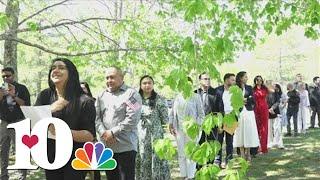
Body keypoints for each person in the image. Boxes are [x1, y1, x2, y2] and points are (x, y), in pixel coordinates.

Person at [35, 58, 96, 180]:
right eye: (53, 68)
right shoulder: (44, 96)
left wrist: (63, 132)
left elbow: (89, 135)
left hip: (76, 157)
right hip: (51, 155)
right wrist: (50, 110)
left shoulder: (84, 101)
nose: (56, 70)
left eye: (61, 68)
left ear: (71, 73)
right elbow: (34, 121)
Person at [95, 67, 142, 180]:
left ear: (121, 78)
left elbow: (133, 119)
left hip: (125, 146)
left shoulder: (131, 94)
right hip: (107, 146)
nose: (109, 80)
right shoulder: (101, 96)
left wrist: (112, 132)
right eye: (107, 78)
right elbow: (96, 118)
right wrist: (104, 133)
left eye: (112, 77)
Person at [135, 75, 170, 180]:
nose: (147, 85)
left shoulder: (159, 99)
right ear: (140, 86)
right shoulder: (135, 99)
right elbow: (131, 116)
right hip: (140, 135)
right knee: (141, 157)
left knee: (157, 158)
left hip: (156, 135)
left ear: (153, 85)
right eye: (144, 83)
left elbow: (165, 119)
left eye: (149, 83)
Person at [169, 77, 204, 179]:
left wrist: (195, 126)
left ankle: (191, 176)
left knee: (191, 154)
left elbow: (201, 114)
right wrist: (171, 124)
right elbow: (172, 113)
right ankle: (183, 175)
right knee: (181, 154)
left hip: (192, 130)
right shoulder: (177, 97)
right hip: (179, 130)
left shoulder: (196, 97)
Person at [0, 67, 30, 180]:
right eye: (3, 76)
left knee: (21, 150)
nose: (6, 78)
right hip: (4, 123)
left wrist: (13, 95)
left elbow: (26, 106)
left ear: (14, 75)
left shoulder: (22, 88)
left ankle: (22, 177)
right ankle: (3, 176)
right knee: (3, 150)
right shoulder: (0, 89)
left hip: (19, 121)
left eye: (8, 75)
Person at [233, 71, 259, 162]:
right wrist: (240, 101)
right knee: (240, 132)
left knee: (248, 132)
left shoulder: (249, 88)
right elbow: (232, 100)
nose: (247, 78)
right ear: (240, 78)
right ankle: (242, 154)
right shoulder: (235, 88)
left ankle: (248, 153)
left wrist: (246, 100)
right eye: (245, 77)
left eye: (247, 77)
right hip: (239, 113)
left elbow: (253, 100)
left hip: (248, 112)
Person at [194, 72, 217, 168]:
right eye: (205, 79)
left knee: (211, 145)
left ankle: (210, 166)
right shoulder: (194, 93)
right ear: (200, 80)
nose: (207, 81)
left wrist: (219, 125)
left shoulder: (215, 92)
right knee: (199, 144)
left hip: (212, 124)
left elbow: (220, 108)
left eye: (209, 79)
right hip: (199, 124)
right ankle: (198, 167)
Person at [214, 73, 236, 166]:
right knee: (219, 140)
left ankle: (229, 160)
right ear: (226, 80)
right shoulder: (217, 90)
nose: (234, 81)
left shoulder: (235, 91)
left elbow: (239, 104)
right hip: (220, 117)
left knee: (229, 141)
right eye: (232, 80)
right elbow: (214, 105)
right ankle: (217, 161)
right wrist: (217, 120)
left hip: (231, 118)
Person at [253, 75, 271, 154]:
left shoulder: (265, 89)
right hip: (256, 109)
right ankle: (256, 147)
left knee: (264, 128)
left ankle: (264, 147)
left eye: (260, 80)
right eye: (257, 80)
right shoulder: (253, 89)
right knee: (256, 128)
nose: (259, 81)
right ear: (255, 81)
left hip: (264, 109)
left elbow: (272, 92)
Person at [267, 84, 284, 149]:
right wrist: (268, 109)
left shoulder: (276, 93)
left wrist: (272, 108)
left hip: (276, 112)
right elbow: (264, 102)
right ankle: (270, 143)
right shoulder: (266, 94)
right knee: (269, 129)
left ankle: (279, 143)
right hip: (268, 113)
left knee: (277, 129)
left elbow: (278, 102)